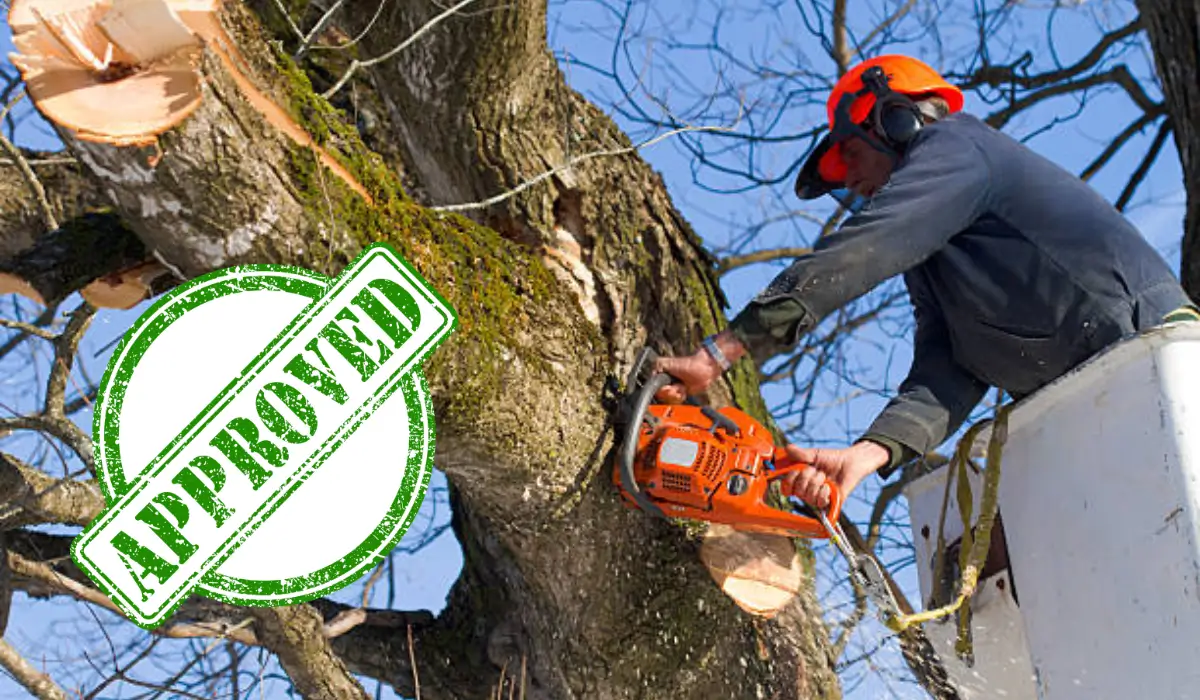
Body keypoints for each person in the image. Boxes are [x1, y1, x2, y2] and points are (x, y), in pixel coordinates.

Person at [655, 54, 1199, 510]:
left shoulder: (959, 148)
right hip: (1094, 405)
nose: (856, 181)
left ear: (896, 121)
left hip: (1154, 357)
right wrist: (866, 455)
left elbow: (868, 245)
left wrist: (721, 352)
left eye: (851, 154)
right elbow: (950, 366)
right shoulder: (935, 252)